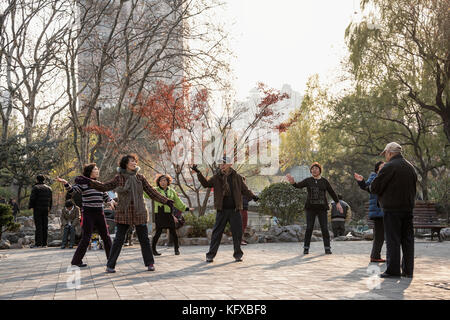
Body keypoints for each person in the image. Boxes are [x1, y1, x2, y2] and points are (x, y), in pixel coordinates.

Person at [87, 154, 175, 273]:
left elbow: (151, 192)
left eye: (135, 161)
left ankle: (150, 263)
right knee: (119, 240)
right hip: (124, 212)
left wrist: (165, 200)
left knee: (144, 239)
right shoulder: (119, 178)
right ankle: (110, 265)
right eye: (131, 161)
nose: (134, 163)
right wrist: (90, 182)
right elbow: (105, 186)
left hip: (139, 212)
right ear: (125, 164)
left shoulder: (140, 178)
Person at [191, 156, 259, 263]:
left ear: (230, 164)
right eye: (220, 163)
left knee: (237, 233)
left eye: (224, 163)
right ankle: (210, 255)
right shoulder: (216, 177)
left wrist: (253, 197)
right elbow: (206, 184)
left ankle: (238, 255)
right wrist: (198, 173)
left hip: (235, 210)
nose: (221, 165)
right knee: (216, 234)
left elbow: (244, 190)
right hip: (222, 210)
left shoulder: (237, 177)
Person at [368, 142, 417, 278]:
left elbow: (375, 187)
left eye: (386, 154)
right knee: (407, 240)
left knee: (393, 239)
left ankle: (393, 270)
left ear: (389, 152)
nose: (386, 157)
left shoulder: (389, 167)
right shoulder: (410, 167)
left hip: (392, 209)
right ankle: (408, 271)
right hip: (407, 208)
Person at [56, 164, 115, 267]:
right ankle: (76, 261)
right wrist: (66, 183)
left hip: (100, 213)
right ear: (90, 172)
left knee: (106, 236)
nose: (97, 170)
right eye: (95, 169)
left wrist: (110, 201)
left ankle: (111, 259)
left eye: (97, 168)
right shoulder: (83, 184)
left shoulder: (99, 184)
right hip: (88, 213)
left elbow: (105, 196)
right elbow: (72, 191)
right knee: (86, 238)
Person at [286, 162, 342, 255]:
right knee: (309, 228)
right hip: (310, 208)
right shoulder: (308, 180)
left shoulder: (324, 181)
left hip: (322, 208)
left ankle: (327, 248)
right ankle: (306, 248)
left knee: (324, 228)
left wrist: (337, 203)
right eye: (312, 169)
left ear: (320, 170)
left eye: (316, 168)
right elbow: (298, 186)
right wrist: (293, 183)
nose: (314, 170)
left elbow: (331, 192)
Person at [152, 174, 194, 256]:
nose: (162, 182)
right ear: (158, 182)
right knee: (158, 232)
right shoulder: (155, 190)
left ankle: (176, 249)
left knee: (173, 232)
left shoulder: (171, 191)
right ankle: (153, 250)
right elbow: (146, 193)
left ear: (168, 182)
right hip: (159, 214)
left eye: (164, 180)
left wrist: (186, 208)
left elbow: (178, 202)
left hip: (169, 214)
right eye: (161, 181)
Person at [354, 161, 386, 263]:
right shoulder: (374, 177)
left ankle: (376, 255)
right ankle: (375, 256)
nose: (384, 168)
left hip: (386, 210)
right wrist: (361, 181)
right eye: (381, 167)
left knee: (382, 235)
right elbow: (366, 186)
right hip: (378, 211)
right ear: (377, 170)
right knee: (379, 235)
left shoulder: (387, 177)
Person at [29, 175, 53, 248]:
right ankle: (44, 243)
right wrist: (50, 208)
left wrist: (30, 206)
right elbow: (51, 200)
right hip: (46, 209)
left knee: (38, 226)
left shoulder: (35, 188)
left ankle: (38, 243)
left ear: (37, 180)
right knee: (45, 226)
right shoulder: (49, 188)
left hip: (37, 209)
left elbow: (32, 199)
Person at [241, 177, 250, 245]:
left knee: (244, 225)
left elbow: (249, 198)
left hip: (245, 209)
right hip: (240, 210)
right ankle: (239, 240)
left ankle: (241, 239)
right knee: (240, 225)